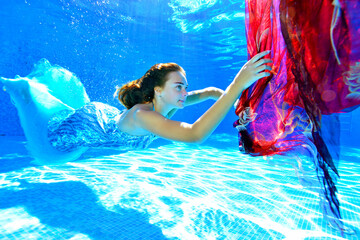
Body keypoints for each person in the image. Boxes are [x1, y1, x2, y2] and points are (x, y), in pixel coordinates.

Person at [0, 51, 272, 164]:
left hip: (105, 118)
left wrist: (238, 105)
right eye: (179, 86)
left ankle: (38, 96)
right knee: (49, 148)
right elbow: (194, 134)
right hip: (89, 125)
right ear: (157, 90)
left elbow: (210, 93)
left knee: (59, 133)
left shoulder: (165, 104)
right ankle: (25, 94)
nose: (185, 93)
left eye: (185, 86)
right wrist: (239, 83)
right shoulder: (145, 116)